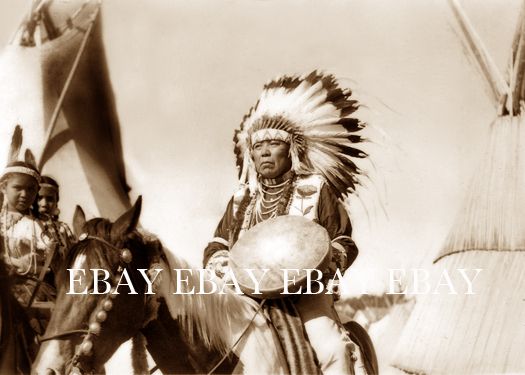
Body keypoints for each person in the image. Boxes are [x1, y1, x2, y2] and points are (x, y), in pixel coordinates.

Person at [203, 71, 367, 374]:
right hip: (245, 295)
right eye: (257, 146)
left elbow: (342, 240)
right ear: (250, 155)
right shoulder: (241, 200)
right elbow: (218, 244)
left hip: (304, 292)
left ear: (291, 150)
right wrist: (222, 263)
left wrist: (328, 261)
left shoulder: (316, 190)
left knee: (333, 351)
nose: (264, 151)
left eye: (274, 144)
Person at [36, 175, 75, 264]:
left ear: (56, 202)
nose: (44, 204)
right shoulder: (26, 226)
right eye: (39, 198)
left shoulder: (63, 228)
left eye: (50, 199)